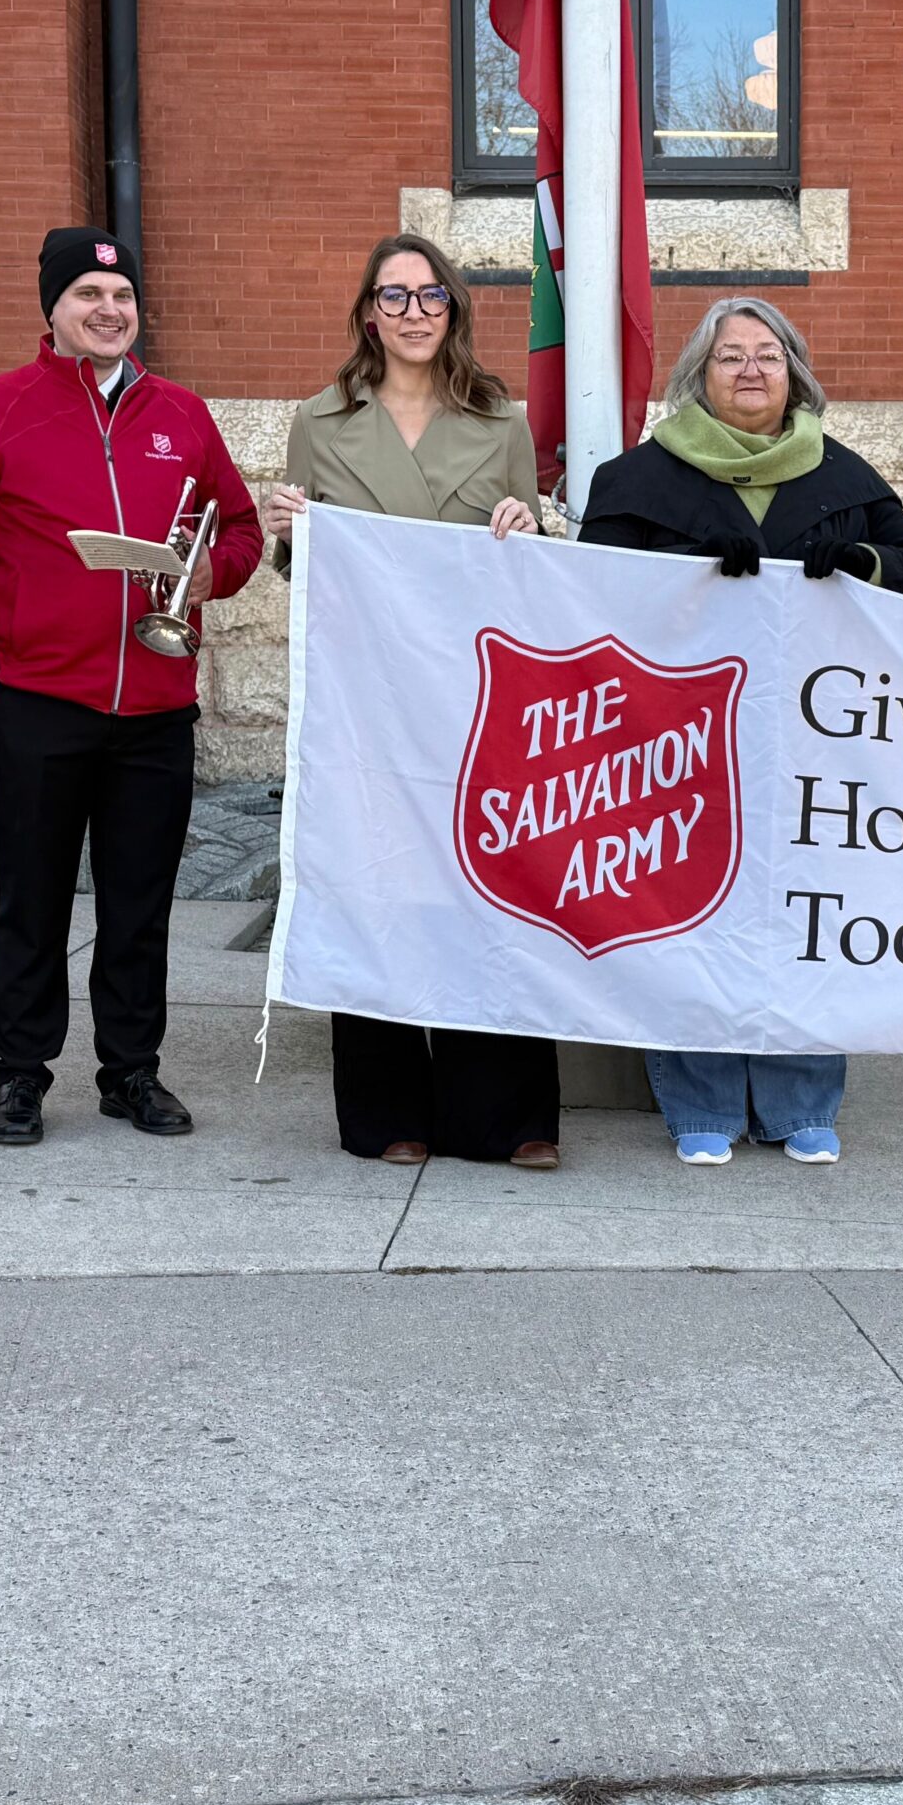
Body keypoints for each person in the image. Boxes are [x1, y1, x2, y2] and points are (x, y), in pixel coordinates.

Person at [0, 228, 264, 1146]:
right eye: (88, 295)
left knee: (139, 906)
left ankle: (132, 1071)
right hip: (34, 703)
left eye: (121, 297)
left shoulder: (182, 413)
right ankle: (19, 1074)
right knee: (28, 902)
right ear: (53, 309)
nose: (109, 311)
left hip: (155, 705)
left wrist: (211, 573)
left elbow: (239, 528)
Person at [580, 295, 903, 1166]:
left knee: (805, 911)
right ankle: (699, 1100)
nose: (750, 369)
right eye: (730, 355)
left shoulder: (844, 476)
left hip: (815, 740)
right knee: (689, 911)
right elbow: (591, 591)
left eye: (767, 356)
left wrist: (861, 564)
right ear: (699, 375)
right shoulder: (638, 478)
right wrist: (683, 572)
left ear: (794, 375)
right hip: (679, 741)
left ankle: (800, 1099)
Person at [277, 233, 562, 1171]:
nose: (412, 312)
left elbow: (529, 575)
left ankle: (504, 1115)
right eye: (393, 296)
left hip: (474, 700)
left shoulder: (500, 422)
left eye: (430, 295)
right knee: (378, 886)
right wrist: (289, 537)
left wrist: (531, 526)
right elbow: (306, 576)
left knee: (489, 887)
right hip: (368, 702)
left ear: (454, 310)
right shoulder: (320, 422)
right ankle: (386, 1109)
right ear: (369, 313)